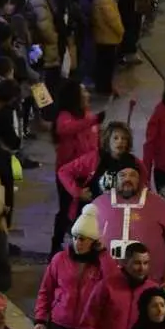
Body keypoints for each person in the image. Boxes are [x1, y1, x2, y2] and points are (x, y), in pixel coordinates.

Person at [90, 163, 165, 283]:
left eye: (133, 175)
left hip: (151, 279)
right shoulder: (99, 204)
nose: (128, 179)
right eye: (123, 175)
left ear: (140, 179)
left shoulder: (157, 203)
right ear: (115, 179)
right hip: (106, 280)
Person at [50, 80, 103, 253]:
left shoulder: (89, 117)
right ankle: (56, 247)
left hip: (89, 174)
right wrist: (93, 121)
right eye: (83, 92)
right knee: (65, 211)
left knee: (87, 212)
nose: (87, 95)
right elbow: (66, 129)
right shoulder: (65, 117)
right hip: (68, 175)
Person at [57, 122, 148, 221]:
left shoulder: (135, 163)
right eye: (115, 138)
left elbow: (144, 189)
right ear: (108, 140)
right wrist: (77, 192)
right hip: (92, 213)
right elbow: (64, 171)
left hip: (120, 216)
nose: (120, 141)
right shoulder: (94, 158)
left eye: (124, 138)